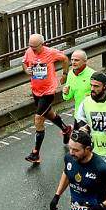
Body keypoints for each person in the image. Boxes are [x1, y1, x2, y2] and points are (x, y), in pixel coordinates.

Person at [21, 34, 70, 164]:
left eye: (35, 48)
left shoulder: (51, 52)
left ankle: (35, 153)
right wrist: (27, 71)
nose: (33, 50)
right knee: (49, 114)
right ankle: (66, 129)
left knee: (38, 119)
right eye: (30, 47)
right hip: (35, 90)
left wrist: (65, 74)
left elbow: (65, 59)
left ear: (42, 44)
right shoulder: (29, 51)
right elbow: (24, 63)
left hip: (48, 91)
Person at [62, 49, 96, 115]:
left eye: (76, 60)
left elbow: (103, 94)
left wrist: (92, 95)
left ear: (85, 61)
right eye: (72, 60)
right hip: (78, 115)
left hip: (92, 115)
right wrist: (65, 93)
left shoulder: (93, 75)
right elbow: (68, 97)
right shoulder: (70, 74)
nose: (73, 62)